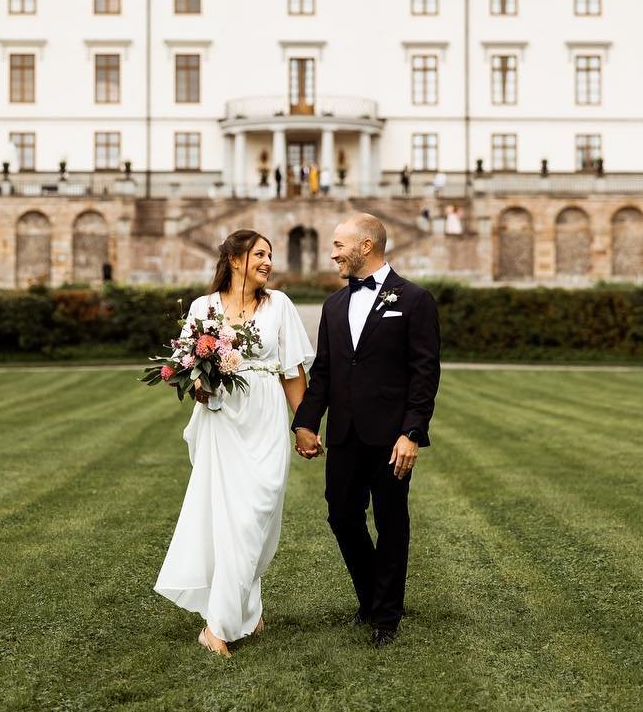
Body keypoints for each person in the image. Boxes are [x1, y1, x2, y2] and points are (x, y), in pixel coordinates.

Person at [155, 230, 315, 657]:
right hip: (223, 419)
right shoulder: (202, 308)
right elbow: (188, 366)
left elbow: (293, 371)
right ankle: (219, 626)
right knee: (233, 518)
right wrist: (200, 385)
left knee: (261, 513)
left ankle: (248, 606)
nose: (268, 262)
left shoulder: (279, 304)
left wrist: (304, 425)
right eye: (260, 254)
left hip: (265, 414)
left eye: (270, 255)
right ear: (235, 259)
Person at [292, 214, 441, 648]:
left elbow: (424, 373)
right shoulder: (334, 305)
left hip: (392, 437)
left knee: (392, 522)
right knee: (341, 517)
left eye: (339, 245)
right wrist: (304, 422)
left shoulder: (415, 300)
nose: (333, 252)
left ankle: (385, 617)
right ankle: (373, 595)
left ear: (367, 245)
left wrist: (412, 432)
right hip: (344, 436)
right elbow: (324, 373)